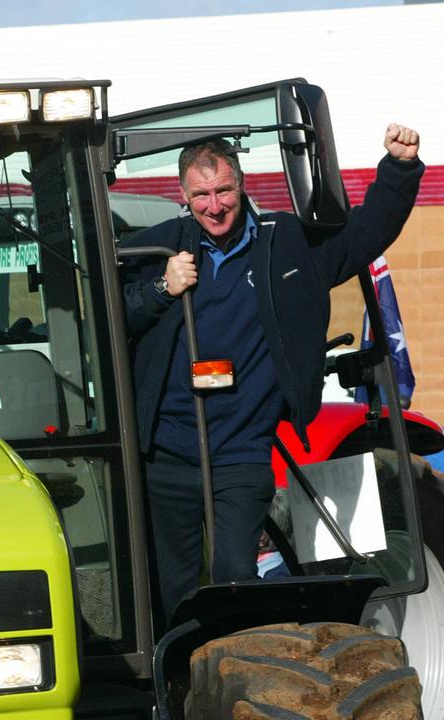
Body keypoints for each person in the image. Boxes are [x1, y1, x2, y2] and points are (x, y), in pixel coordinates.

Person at [121, 124, 422, 621]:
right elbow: (104, 313)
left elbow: (366, 233)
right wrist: (159, 287)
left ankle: (234, 683)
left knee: (234, 582)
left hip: (241, 454)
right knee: (166, 593)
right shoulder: (155, 250)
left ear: (241, 186)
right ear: (183, 194)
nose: (213, 206)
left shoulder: (285, 247)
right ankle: (170, 689)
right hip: (166, 455)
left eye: (223, 191)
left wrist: (400, 169)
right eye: (201, 195)